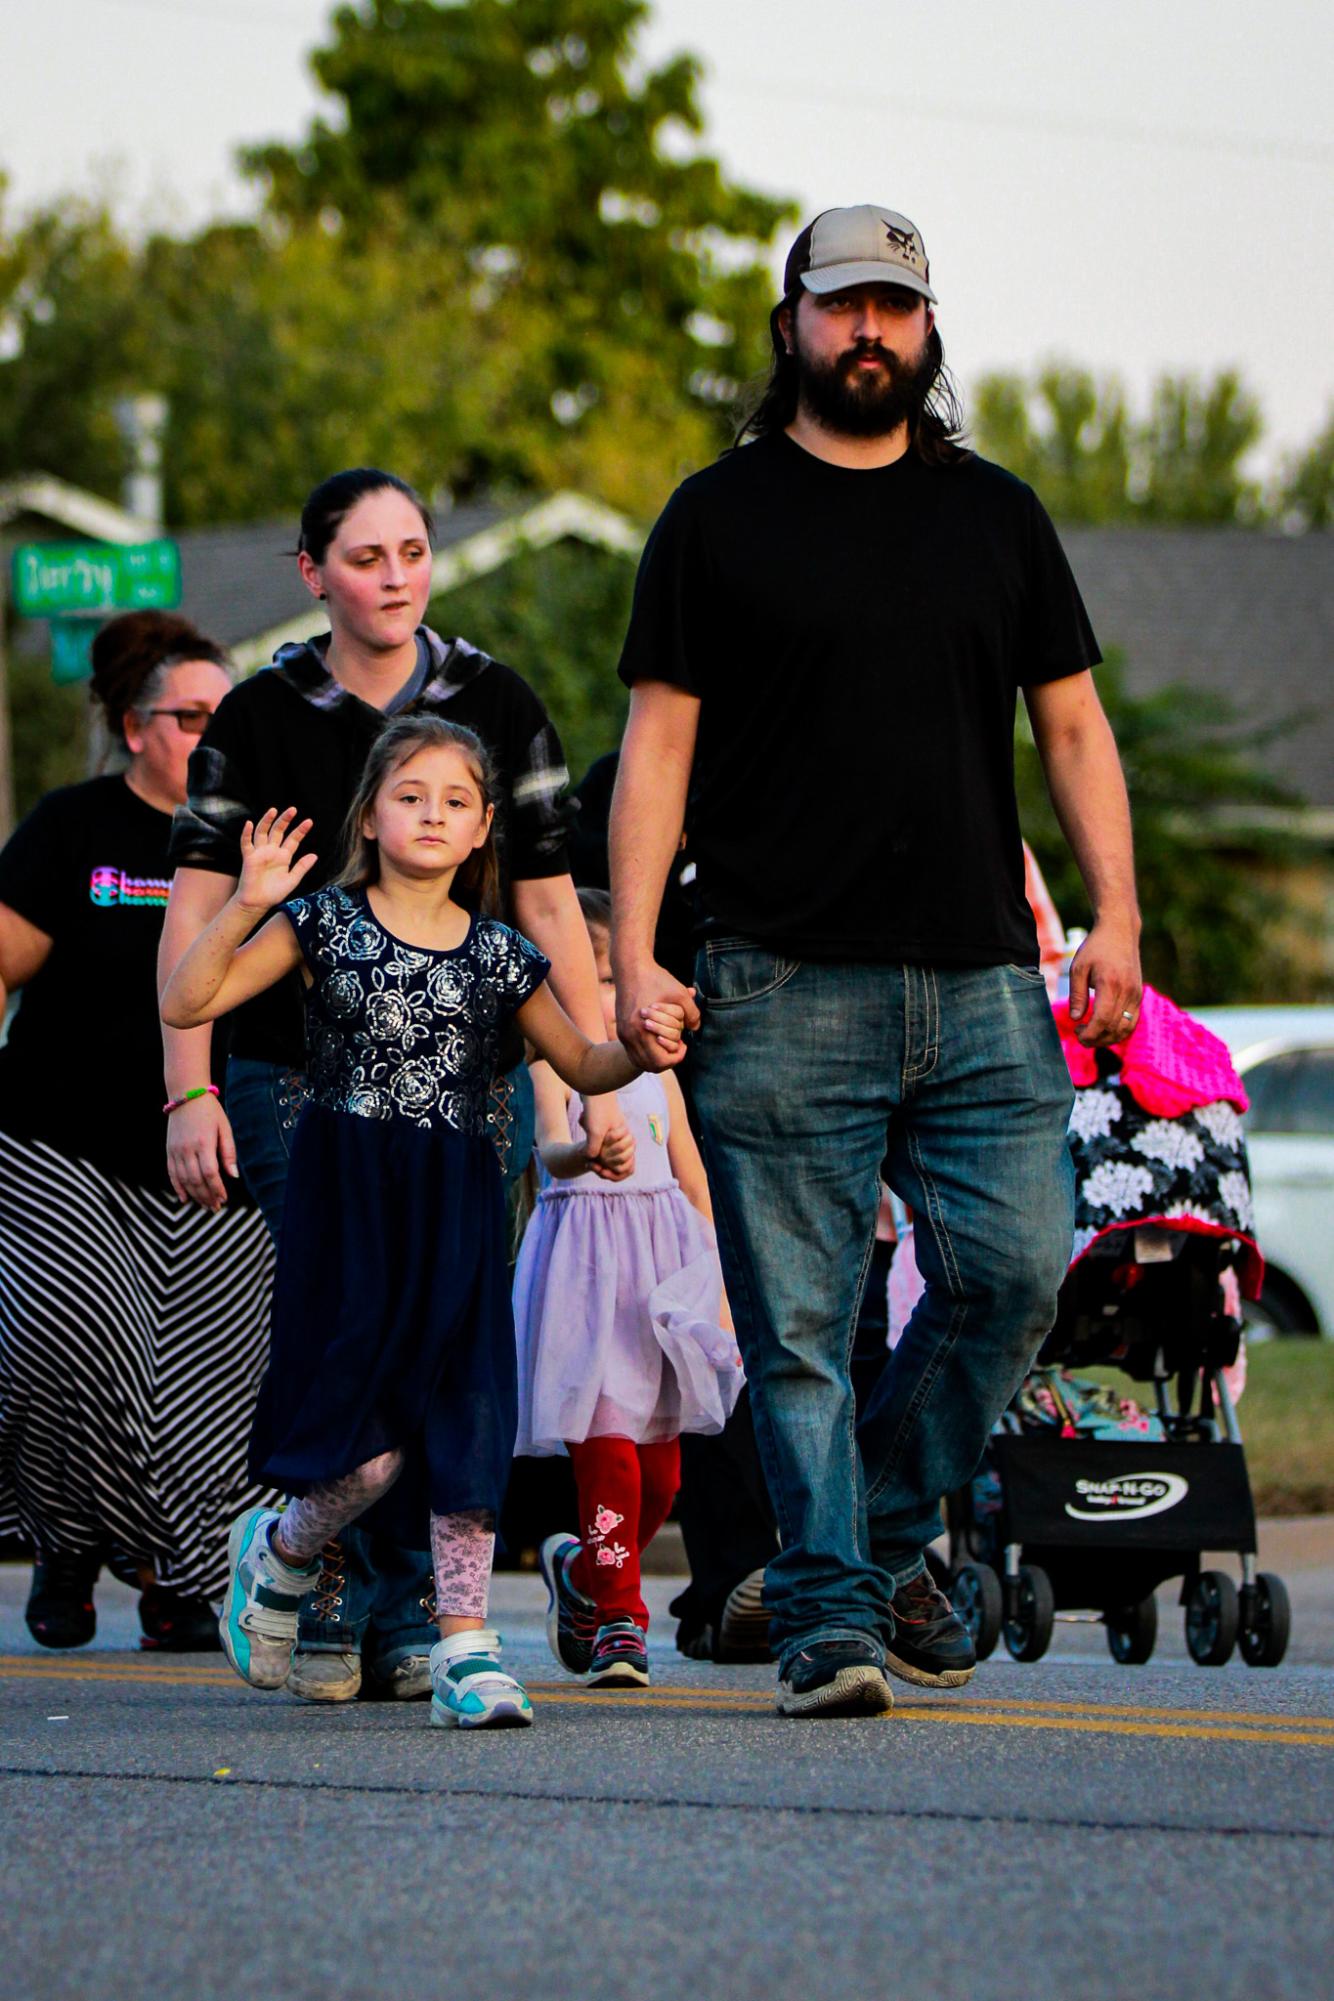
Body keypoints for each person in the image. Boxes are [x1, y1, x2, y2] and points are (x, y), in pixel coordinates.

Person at [610, 204, 1143, 1718]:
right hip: (775, 981)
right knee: (794, 1330)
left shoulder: (996, 515)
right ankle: (833, 1619)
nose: (868, 335)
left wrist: (1114, 912)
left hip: (978, 979)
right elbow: (657, 746)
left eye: (894, 312)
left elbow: (1074, 728)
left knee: (1018, 1271)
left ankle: (888, 1530)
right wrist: (635, 952)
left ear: (925, 330)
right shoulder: (712, 519)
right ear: (788, 322)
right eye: (841, 306)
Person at [159, 467, 632, 1703]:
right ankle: (332, 1591)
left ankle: (416, 1621)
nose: (394, 577)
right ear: (311, 572)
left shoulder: (499, 703)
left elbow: (547, 907)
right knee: (359, 1353)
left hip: (468, 1127)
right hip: (301, 1086)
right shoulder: (258, 719)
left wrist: (603, 1075)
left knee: (452, 1365)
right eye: (364, 557)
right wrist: (187, 1091)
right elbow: (197, 924)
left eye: (412, 551)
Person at [0, 611, 275, 1649]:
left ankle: (176, 1580)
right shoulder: (76, 828)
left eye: (224, 716)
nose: (209, 736)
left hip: (222, 1160)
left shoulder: (265, 841)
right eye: (186, 716)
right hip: (66, 1143)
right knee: (72, 1347)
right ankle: (69, 1545)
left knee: (210, 1381)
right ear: (133, 728)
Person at [513, 888, 742, 1689]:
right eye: (586, 981)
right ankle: (620, 1621)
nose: (602, 998)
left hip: (661, 1279)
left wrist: (719, 1284)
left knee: (663, 1474)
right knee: (607, 1455)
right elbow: (549, 1152)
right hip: (586, 1274)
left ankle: (582, 1572)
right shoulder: (551, 1062)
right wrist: (584, 1147)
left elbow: (693, 1174)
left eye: (613, 979)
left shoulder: (660, 1074)